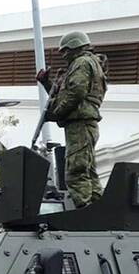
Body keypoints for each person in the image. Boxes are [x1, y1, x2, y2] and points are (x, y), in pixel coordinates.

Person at [36, 31, 108, 208]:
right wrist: (47, 84)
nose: (64, 55)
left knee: (75, 172)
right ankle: (98, 210)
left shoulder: (81, 62)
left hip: (80, 124)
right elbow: (67, 94)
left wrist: (57, 113)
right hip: (84, 123)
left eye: (65, 51)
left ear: (74, 46)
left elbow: (76, 93)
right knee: (88, 173)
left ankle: (86, 213)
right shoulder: (89, 63)